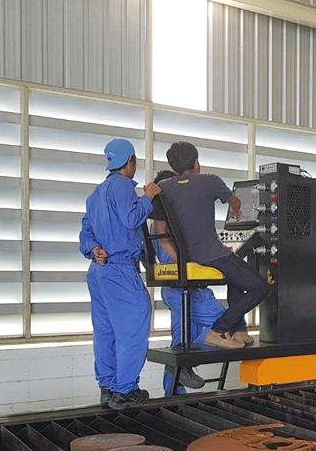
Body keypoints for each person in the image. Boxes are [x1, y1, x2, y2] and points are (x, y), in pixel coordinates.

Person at [151, 141, 266, 349]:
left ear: (173, 167)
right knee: (260, 287)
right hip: (213, 255)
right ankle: (218, 330)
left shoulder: (162, 188)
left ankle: (239, 331)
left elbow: (161, 234)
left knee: (236, 277)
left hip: (187, 259)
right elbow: (235, 201)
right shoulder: (210, 180)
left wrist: (181, 260)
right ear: (196, 163)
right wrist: (236, 211)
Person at [79, 138, 160, 410]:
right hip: (120, 269)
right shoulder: (123, 185)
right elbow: (131, 218)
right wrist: (148, 196)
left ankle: (107, 387)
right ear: (131, 161)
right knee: (135, 321)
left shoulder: (95, 195)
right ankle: (125, 389)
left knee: (106, 330)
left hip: (98, 271)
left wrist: (94, 250)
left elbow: (85, 233)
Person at [149, 169, 225, 396]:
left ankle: (173, 398)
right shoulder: (174, 221)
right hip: (188, 290)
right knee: (230, 326)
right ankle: (184, 365)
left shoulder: (155, 224)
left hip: (172, 290)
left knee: (179, 345)